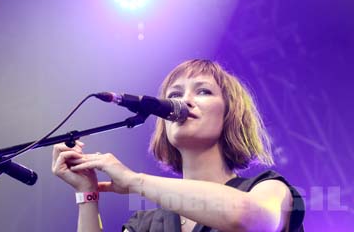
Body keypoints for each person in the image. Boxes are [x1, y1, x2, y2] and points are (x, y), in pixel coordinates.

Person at [52, 58, 305, 231]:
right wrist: (87, 194)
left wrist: (134, 181)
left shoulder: (268, 189)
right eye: (174, 95)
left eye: (203, 91)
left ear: (231, 114)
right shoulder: (147, 223)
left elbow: (251, 218)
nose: (184, 102)